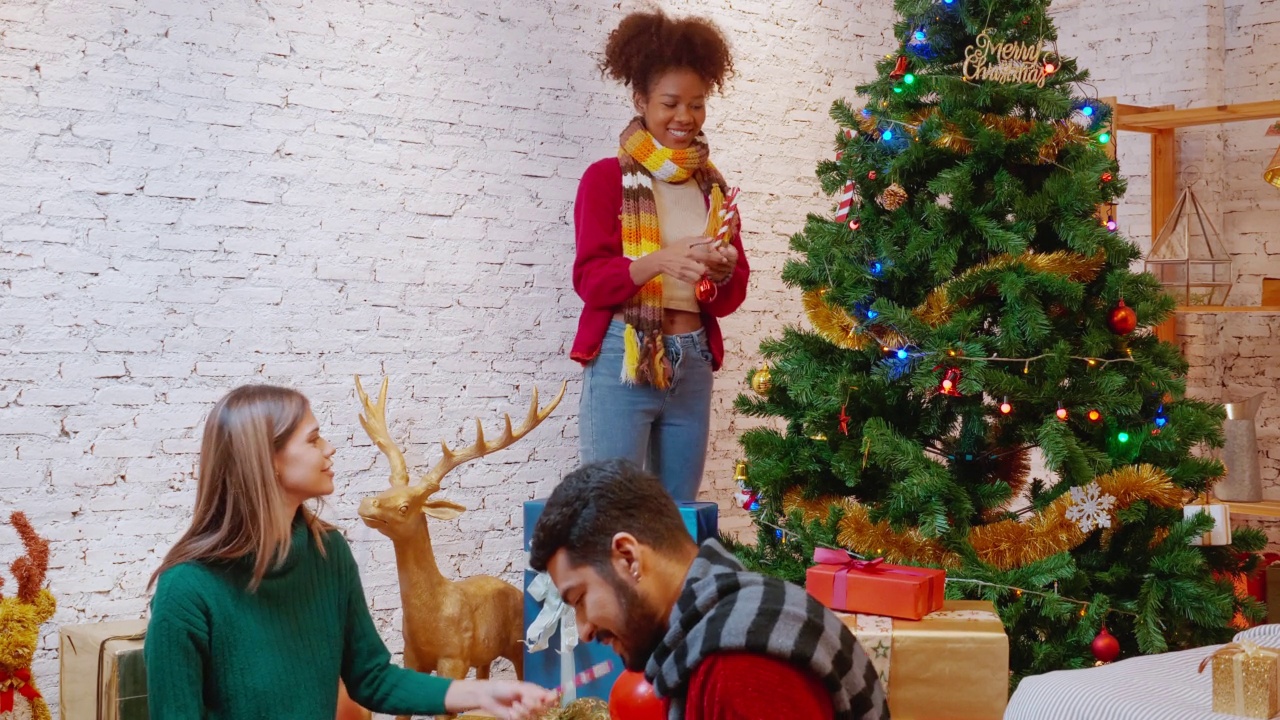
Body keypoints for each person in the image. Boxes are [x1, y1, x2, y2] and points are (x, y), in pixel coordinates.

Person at [145, 385, 558, 720]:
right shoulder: (187, 590)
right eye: (313, 439)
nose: (329, 448)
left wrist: (486, 693)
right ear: (268, 461)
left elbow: (372, 678)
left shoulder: (328, 554)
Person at [529, 459, 888, 720]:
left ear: (628, 557)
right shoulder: (731, 614)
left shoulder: (737, 667)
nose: (585, 629)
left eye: (579, 600)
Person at [570, 9, 750, 502]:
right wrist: (660, 260)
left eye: (697, 104)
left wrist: (726, 269)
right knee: (613, 511)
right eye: (671, 103)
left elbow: (730, 295)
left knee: (676, 524)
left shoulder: (712, 185)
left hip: (691, 361)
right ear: (641, 100)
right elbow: (590, 280)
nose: (684, 117)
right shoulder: (606, 179)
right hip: (623, 356)